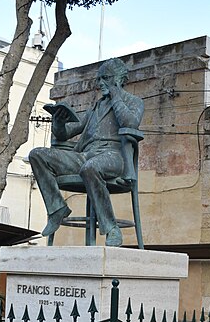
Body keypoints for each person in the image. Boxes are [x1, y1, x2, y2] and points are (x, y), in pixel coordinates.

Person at [29, 58, 144, 247]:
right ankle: (57, 209)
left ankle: (111, 228)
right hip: (85, 155)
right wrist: (58, 122)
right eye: (99, 79)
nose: (100, 83)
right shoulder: (95, 107)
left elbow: (130, 123)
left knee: (90, 168)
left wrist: (116, 95)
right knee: (37, 154)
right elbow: (67, 133)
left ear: (118, 79)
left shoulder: (134, 102)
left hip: (114, 156)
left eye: (105, 78)